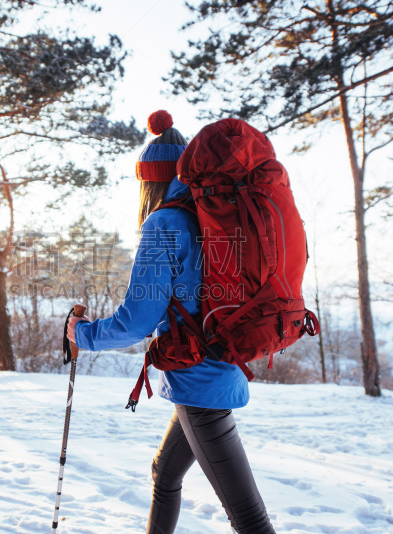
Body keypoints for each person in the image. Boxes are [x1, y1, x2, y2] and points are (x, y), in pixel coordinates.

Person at [66, 110, 276, 533]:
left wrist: (80, 334)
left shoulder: (163, 224)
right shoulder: (210, 218)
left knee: (250, 520)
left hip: (201, 384)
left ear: (151, 181)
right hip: (216, 367)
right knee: (165, 474)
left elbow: (135, 322)